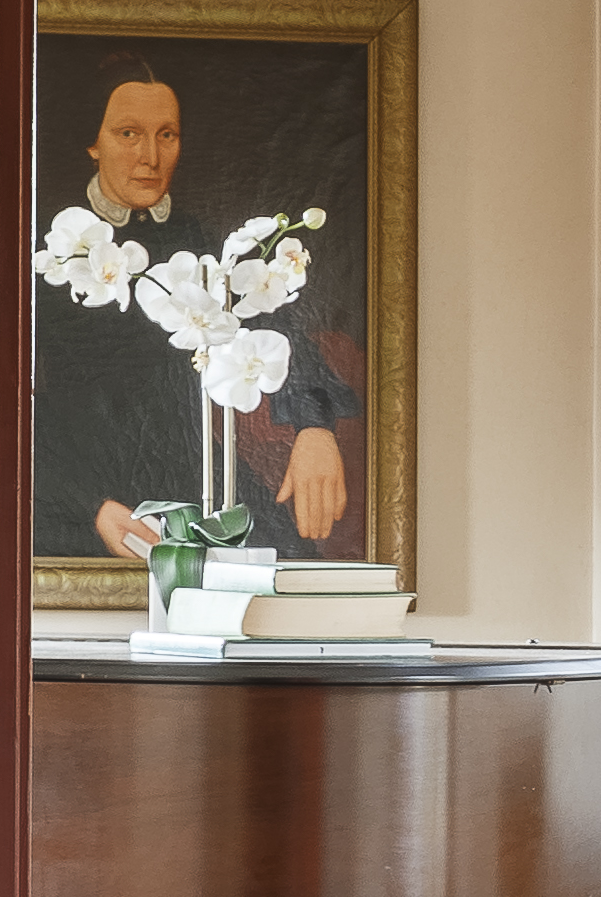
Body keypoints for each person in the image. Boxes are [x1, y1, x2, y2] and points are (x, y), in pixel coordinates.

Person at [30, 48, 367, 560]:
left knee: (288, 561)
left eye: (166, 134)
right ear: (93, 143)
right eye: (128, 133)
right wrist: (88, 504)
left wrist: (314, 427)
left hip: (188, 473)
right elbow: (5, 406)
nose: (150, 156)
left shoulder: (200, 242)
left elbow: (277, 331)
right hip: (67, 486)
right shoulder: (49, 253)